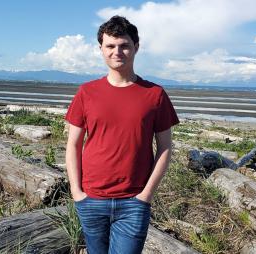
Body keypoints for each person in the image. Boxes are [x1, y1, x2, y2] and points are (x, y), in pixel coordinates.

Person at [65, 15, 179, 254]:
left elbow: (166, 147)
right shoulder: (87, 92)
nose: (117, 51)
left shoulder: (155, 94)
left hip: (133, 201)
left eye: (124, 45)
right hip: (92, 199)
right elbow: (73, 145)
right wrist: (77, 193)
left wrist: (146, 195)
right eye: (110, 46)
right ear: (101, 49)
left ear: (136, 47)